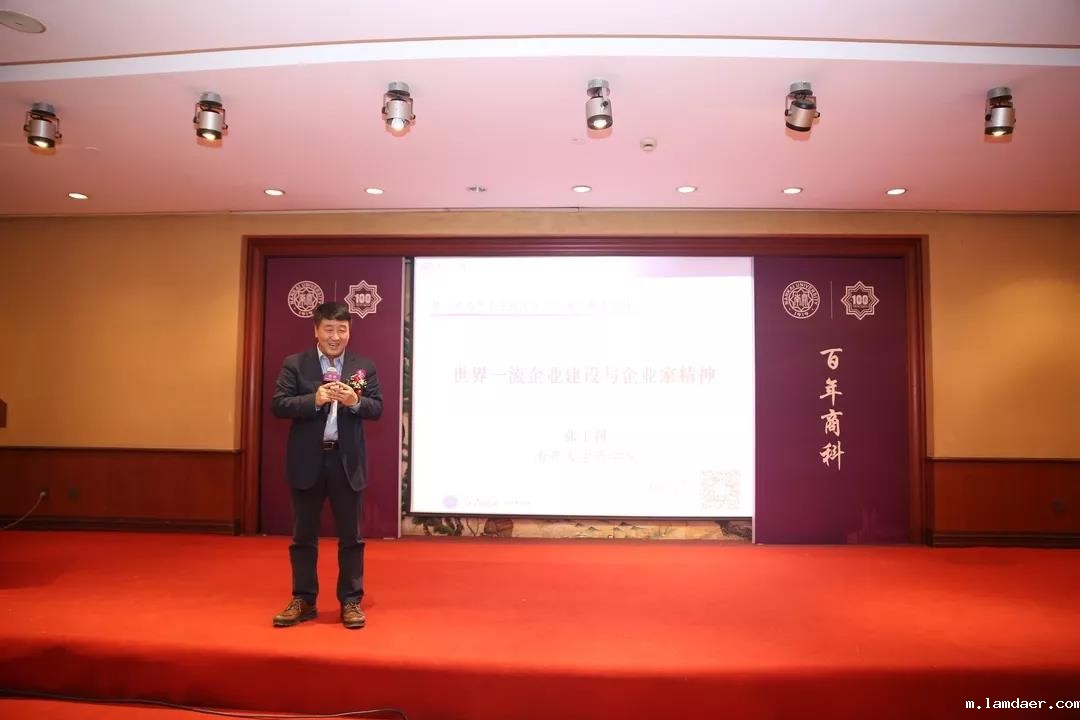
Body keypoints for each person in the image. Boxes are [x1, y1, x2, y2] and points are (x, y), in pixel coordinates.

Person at [270, 301, 382, 629]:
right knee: (303, 536)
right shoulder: (295, 364)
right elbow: (279, 404)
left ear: (349, 332)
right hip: (308, 461)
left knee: (351, 538)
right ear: (316, 331)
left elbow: (377, 408)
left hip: (346, 463)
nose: (335, 336)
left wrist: (355, 401)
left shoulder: (363, 366)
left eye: (342, 329)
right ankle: (304, 599)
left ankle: (351, 601)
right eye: (329, 329)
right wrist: (314, 400)